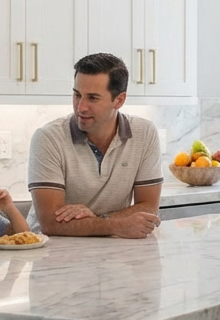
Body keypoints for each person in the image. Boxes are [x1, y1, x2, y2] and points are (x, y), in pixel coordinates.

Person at [27, 53, 164, 238]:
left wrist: (98, 220)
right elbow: (50, 223)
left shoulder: (144, 133)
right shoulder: (48, 138)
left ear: (119, 100)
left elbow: (148, 207)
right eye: (77, 95)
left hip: (109, 247)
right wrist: (114, 225)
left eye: (92, 98)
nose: (81, 107)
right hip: (52, 248)